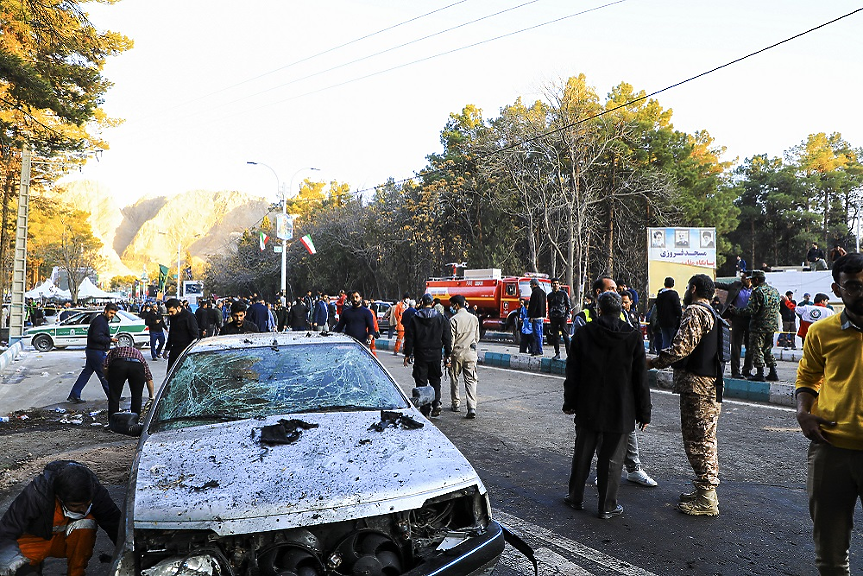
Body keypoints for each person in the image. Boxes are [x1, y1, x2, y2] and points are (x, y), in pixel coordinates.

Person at [795, 252, 863, 575]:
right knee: (831, 557)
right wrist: (803, 413)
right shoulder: (822, 332)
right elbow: (807, 378)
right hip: (830, 450)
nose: (862, 292)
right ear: (838, 291)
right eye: (853, 286)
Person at [563, 291, 651, 520]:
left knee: (582, 453)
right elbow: (640, 379)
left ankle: (575, 497)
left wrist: (569, 402)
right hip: (620, 409)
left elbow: (573, 372)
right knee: (612, 459)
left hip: (588, 405)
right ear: (620, 310)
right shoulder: (632, 337)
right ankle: (607, 506)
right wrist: (644, 412)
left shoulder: (584, 334)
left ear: (598, 309)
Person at [647, 274, 724, 516]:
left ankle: (707, 498)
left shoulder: (695, 311)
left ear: (693, 288)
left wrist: (653, 362)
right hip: (709, 386)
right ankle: (704, 491)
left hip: (698, 388)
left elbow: (681, 348)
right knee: (704, 440)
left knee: (698, 442)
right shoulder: (712, 313)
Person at [573, 275, 658, 487]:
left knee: (625, 429)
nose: (617, 292)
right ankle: (600, 477)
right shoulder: (584, 317)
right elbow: (576, 357)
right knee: (596, 434)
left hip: (620, 386)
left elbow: (633, 344)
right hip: (594, 387)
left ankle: (633, 468)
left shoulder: (624, 316)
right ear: (597, 293)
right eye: (611, 288)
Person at [0, 461, 120, 576]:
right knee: (10, 565)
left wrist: (129, 554)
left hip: (65, 540)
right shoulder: (34, 496)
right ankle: (33, 567)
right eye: (75, 506)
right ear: (59, 497)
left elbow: (116, 525)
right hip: (35, 540)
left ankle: (76, 573)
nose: (83, 510)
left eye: (87, 504)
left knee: (86, 523)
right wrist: (21, 569)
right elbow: (5, 533)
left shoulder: (95, 492)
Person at [403, 293, 452, 417]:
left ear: (422, 303)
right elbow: (447, 337)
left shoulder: (415, 318)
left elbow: (409, 338)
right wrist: (448, 353)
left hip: (420, 355)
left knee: (421, 381)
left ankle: (425, 409)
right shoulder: (441, 318)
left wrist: (407, 354)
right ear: (432, 303)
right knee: (435, 379)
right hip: (436, 354)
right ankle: (436, 403)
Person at [733, 270, 780, 382]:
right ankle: (773, 372)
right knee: (767, 349)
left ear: (757, 280)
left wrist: (736, 311)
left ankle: (760, 373)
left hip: (759, 326)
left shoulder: (757, 291)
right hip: (772, 325)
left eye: (752, 279)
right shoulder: (774, 291)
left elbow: (751, 310)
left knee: (756, 349)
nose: (751, 281)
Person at [66, 303, 118, 404]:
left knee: (86, 373)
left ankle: (74, 395)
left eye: (114, 314)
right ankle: (113, 396)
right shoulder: (100, 322)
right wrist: (110, 339)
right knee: (105, 374)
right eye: (111, 313)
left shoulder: (101, 320)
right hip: (96, 352)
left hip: (93, 351)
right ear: (105, 311)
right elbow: (96, 337)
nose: (112, 315)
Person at [448, 294, 480, 419]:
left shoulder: (453, 320)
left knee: (454, 378)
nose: (451, 308)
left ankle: (456, 404)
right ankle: (472, 407)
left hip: (457, 353)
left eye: (452, 305)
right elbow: (476, 338)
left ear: (456, 305)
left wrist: (448, 355)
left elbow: (451, 340)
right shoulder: (474, 319)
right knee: (471, 380)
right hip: (471, 354)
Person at [103, 346, 154, 417]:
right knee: (137, 396)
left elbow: (105, 366)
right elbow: (149, 378)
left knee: (114, 397)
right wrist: (151, 396)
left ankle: (113, 423)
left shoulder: (114, 351)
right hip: (137, 366)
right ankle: (134, 422)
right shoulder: (138, 353)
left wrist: (108, 378)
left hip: (119, 364)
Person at [164, 298, 199, 369]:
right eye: (169, 312)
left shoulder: (189, 317)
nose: (170, 314)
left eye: (171, 311)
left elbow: (195, 336)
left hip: (185, 351)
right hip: (174, 350)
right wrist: (167, 348)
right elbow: (171, 333)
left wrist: (191, 351)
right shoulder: (173, 317)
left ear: (178, 308)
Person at [546, 278, 571, 360]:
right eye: (554, 284)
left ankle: (569, 355)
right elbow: (549, 306)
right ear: (551, 285)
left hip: (562, 317)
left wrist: (566, 316)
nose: (555, 285)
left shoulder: (563, 294)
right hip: (554, 318)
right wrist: (550, 315)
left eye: (557, 283)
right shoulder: (549, 295)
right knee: (555, 336)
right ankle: (557, 353)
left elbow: (568, 306)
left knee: (565, 336)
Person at [655, 277, 682, 350]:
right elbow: (678, 308)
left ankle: (663, 356)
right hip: (672, 322)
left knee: (665, 340)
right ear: (673, 284)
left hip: (662, 322)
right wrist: (681, 316)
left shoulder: (660, 295)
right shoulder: (674, 294)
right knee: (672, 341)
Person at [527, 279, 546, 356]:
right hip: (542, 316)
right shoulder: (543, 292)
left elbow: (533, 306)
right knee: (540, 334)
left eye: (531, 284)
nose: (530, 286)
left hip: (536, 317)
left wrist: (531, 316)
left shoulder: (535, 293)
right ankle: (540, 348)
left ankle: (538, 350)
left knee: (536, 334)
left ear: (534, 284)